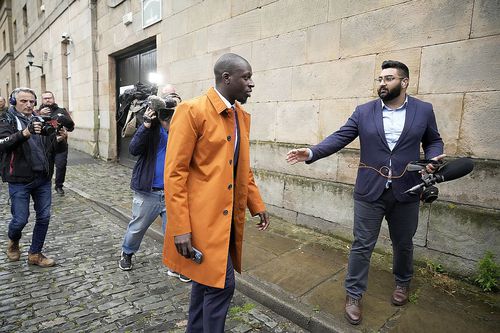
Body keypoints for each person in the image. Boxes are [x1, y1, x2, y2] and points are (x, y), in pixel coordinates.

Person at [286, 60, 445, 325]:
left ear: (404, 82)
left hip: (407, 189)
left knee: (403, 243)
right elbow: (340, 137)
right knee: (362, 245)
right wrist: (312, 152)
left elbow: (433, 139)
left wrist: (432, 156)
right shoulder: (364, 111)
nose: (382, 83)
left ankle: (403, 283)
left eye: (389, 79)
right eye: (380, 79)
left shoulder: (423, 110)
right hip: (370, 190)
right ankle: (353, 295)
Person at [162, 53, 270, 332]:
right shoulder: (191, 110)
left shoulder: (240, 116)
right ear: (227, 78)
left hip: (227, 221)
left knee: (205, 284)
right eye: (246, 77)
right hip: (202, 223)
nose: (251, 84)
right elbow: (175, 174)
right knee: (221, 285)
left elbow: (242, 168)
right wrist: (180, 227)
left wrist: (256, 204)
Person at [118, 95, 191, 282]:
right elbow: (133, 149)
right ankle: (127, 253)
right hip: (149, 191)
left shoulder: (183, 129)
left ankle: (175, 266)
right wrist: (146, 125)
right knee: (137, 227)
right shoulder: (151, 127)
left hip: (173, 193)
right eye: (167, 106)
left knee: (173, 232)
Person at [0, 87, 67, 267]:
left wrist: (60, 139)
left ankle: (35, 254)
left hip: (43, 177)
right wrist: (25, 133)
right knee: (20, 219)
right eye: (24, 101)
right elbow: (3, 145)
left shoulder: (40, 119)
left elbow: (52, 149)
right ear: (14, 102)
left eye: (31, 101)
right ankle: (13, 241)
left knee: (44, 217)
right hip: (19, 179)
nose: (29, 105)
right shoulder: (5, 119)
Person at [37, 91, 75, 196]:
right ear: (42, 100)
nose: (48, 100)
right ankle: (46, 186)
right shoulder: (36, 112)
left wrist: (66, 131)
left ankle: (59, 186)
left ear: (53, 99)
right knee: (47, 168)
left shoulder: (61, 111)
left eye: (50, 98)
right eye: (45, 98)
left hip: (60, 145)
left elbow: (71, 127)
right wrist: (40, 114)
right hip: (45, 146)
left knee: (61, 166)